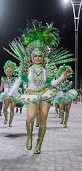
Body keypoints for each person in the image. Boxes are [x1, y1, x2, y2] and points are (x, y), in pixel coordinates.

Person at [6, 20, 74, 154]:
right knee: (30, 117)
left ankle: (39, 145)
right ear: (31, 57)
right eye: (35, 56)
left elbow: (52, 84)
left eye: (40, 56)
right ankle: (29, 137)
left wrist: (63, 77)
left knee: (43, 120)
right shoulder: (26, 69)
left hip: (45, 94)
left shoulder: (46, 69)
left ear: (43, 57)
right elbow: (18, 81)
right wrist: (10, 94)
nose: (37, 58)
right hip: (31, 94)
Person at [0, 61, 18, 127]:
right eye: (7, 71)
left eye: (10, 71)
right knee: (4, 109)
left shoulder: (15, 79)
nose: (8, 73)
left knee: (12, 109)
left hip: (13, 95)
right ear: (5, 72)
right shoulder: (3, 79)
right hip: (6, 95)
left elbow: (16, 87)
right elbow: (1, 87)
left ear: (12, 72)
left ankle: (10, 122)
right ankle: (6, 118)